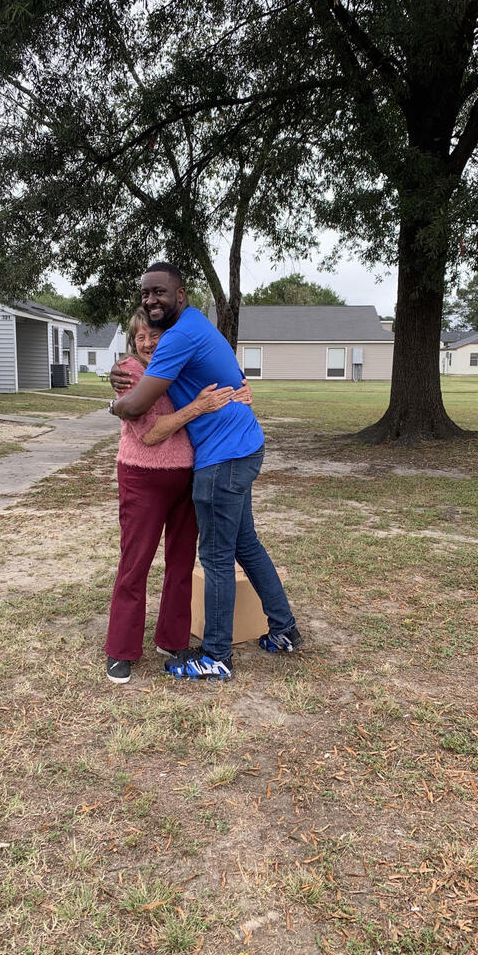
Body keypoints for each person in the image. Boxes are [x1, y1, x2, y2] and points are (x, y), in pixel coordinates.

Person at [110, 262, 303, 682]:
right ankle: (283, 629)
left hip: (222, 458)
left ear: (181, 294)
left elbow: (136, 405)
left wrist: (114, 405)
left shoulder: (179, 335)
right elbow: (222, 371)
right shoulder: (196, 325)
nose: (151, 300)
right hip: (243, 446)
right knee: (244, 545)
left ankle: (216, 655)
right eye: (145, 293)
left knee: (216, 557)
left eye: (159, 291)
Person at [105, 307, 245, 684]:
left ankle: (173, 640)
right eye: (141, 337)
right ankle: (121, 650)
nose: (149, 343)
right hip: (142, 478)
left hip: (188, 477)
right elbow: (149, 432)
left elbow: (226, 386)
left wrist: (240, 394)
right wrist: (198, 406)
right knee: (136, 564)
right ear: (133, 344)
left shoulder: (180, 365)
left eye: (155, 335)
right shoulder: (130, 374)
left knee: (181, 565)